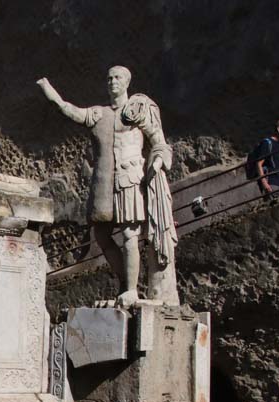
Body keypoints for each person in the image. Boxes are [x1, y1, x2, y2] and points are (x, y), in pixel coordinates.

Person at [37, 66, 179, 307]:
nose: (113, 82)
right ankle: (125, 284)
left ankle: (132, 291)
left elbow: (159, 142)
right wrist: (51, 92)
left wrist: (158, 161)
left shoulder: (137, 110)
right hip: (103, 183)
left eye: (118, 78)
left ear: (127, 82)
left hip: (130, 178)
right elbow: (70, 111)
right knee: (101, 234)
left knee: (129, 234)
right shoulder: (98, 114)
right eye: (109, 78)